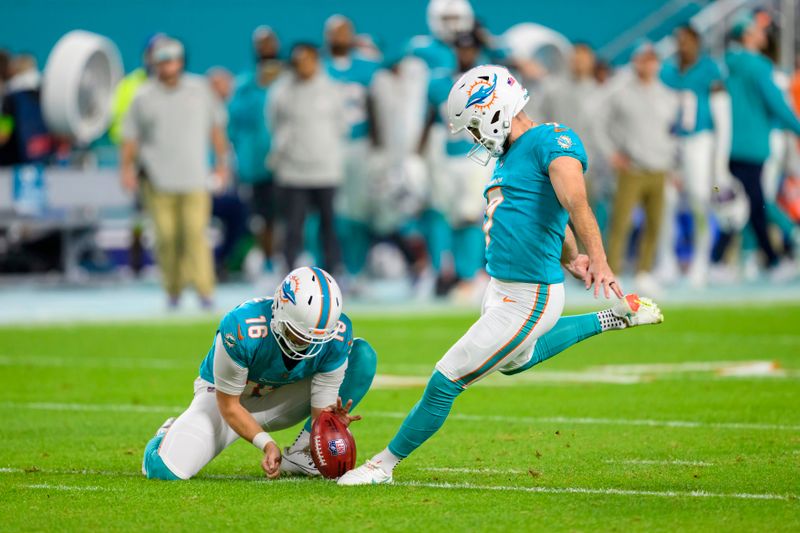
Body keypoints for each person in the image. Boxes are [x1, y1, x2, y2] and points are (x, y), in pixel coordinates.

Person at [338, 65, 663, 486]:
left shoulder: (550, 139)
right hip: (501, 287)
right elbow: (541, 213)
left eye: (474, 125)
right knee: (516, 360)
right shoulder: (510, 154)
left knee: (447, 378)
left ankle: (383, 465)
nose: (474, 137)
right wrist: (571, 256)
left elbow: (574, 198)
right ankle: (616, 316)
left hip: (530, 297)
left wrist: (597, 257)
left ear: (493, 109)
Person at [142, 267, 378, 480]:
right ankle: (166, 436)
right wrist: (267, 444)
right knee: (164, 470)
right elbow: (229, 405)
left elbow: (321, 410)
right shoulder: (243, 327)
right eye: (299, 334)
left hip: (282, 395)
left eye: (316, 339)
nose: (307, 345)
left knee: (362, 357)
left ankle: (301, 454)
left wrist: (329, 427)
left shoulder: (335, 335)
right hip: (227, 400)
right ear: (279, 311)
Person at [121, 37, 229, 309]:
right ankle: (173, 290)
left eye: (171, 60)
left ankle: (205, 292)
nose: (166, 66)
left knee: (195, 235)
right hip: (157, 180)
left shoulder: (201, 89)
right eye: (161, 61)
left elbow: (216, 130)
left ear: (180, 62)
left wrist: (221, 164)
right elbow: (130, 137)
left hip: (194, 179)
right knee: (166, 238)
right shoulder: (142, 95)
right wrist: (126, 169)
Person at [710, 12, 800, 280]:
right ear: (748, 35)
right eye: (759, 31)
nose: (764, 35)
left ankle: (735, 259)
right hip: (753, 145)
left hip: (724, 144)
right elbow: (776, 104)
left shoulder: (724, 64)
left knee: (740, 202)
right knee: (754, 202)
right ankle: (770, 258)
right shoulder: (759, 66)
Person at [596, 42, 679, 296]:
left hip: (659, 168)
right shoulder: (621, 93)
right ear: (636, 62)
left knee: (655, 223)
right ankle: (614, 274)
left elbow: (673, 134)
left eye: (652, 60)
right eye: (643, 60)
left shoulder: (668, 95)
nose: (648, 65)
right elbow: (599, 122)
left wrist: (675, 167)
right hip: (631, 168)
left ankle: (644, 272)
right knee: (621, 223)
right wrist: (610, 153)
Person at [268, 43, 345, 273]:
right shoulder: (281, 91)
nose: (303, 65)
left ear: (316, 61)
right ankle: (286, 273)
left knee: (330, 226)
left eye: (308, 60)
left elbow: (341, 126)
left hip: (326, 170)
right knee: (292, 227)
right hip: (292, 172)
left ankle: (333, 273)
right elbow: (273, 122)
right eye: (298, 61)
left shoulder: (332, 89)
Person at [659, 26, 726, 287]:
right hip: (673, 142)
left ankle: (701, 262)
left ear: (698, 43)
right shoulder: (668, 72)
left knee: (700, 198)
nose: (683, 46)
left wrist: (720, 163)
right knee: (667, 201)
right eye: (680, 41)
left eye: (688, 41)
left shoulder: (710, 69)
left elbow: (723, 116)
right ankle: (666, 261)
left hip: (701, 140)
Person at [323, 15, 381, 280]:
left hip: (359, 145)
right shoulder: (318, 67)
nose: (339, 38)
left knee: (357, 210)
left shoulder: (370, 68)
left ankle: (356, 270)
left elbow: (381, 108)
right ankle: (324, 269)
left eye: (343, 32)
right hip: (325, 147)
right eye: (334, 33)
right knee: (324, 211)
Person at [228, 26, 283, 275]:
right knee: (262, 218)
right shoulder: (245, 85)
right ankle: (269, 262)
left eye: (269, 43)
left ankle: (294, 261)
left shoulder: (290, 80)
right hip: (256, 165)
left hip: (290, 163)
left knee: (294, 216)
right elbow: (234, 123)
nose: (266, 49)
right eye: (261, 44)